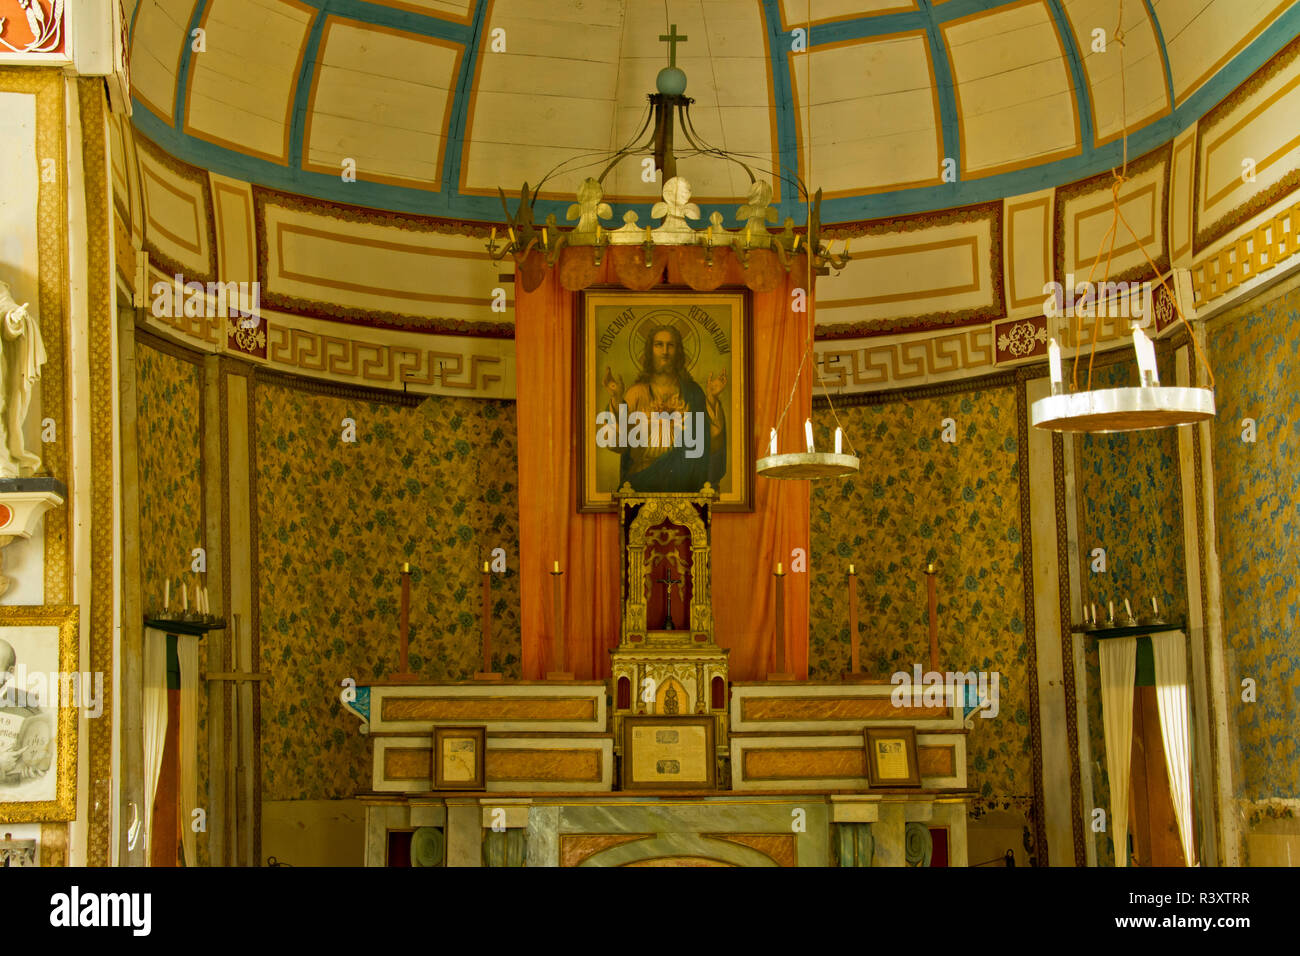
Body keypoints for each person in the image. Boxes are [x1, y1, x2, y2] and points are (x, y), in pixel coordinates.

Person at [602, 324, 727, 492]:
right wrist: (617, 399)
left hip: (685, 483)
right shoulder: (636, 393)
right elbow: (617, 444)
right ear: (650, 351)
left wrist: (712, 399)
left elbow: (711, 443)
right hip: (643, 480)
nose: (665, 351)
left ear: (678, 352)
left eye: (671, 345)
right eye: (659, 344)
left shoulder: (693, 393)